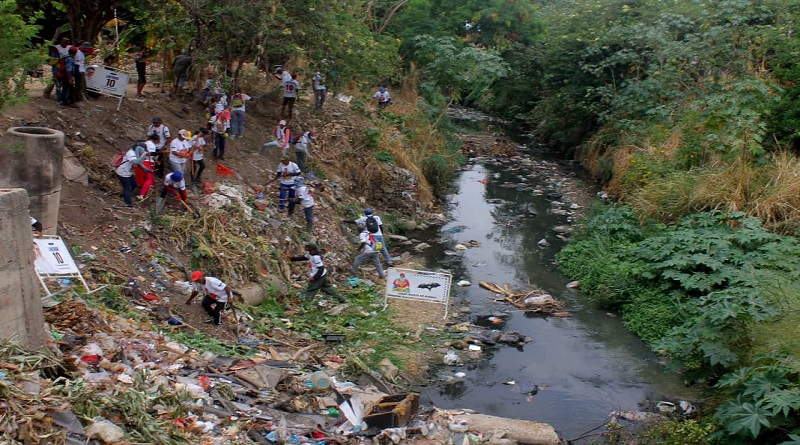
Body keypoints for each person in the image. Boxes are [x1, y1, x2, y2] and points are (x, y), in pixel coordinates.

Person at [116, 143, 149, 207]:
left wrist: (146, 170)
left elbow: (139, 163)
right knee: (128, 188)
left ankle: (124, 195)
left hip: (128, 173)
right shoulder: (131, 153)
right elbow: (136, 162)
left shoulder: (136, 153)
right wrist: (144, 156)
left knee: (134, 184)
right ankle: (128, 203)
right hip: (123, 173)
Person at [137, 133, 160, 200]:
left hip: (141, 162)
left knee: (146, 179)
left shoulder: (145, 143)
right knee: (149, 180)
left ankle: (144, 192)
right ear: (156, 140)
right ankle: (142, 194)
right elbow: (150, 155)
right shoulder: (152, 146)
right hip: (148, 163)